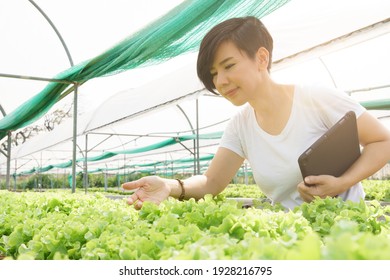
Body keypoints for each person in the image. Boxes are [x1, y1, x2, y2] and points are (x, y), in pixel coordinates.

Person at [122, 16, 390, 210]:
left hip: (346, 233)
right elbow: (211, 182)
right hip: (293, 242)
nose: (220, 81)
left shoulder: (314, 97)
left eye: (229, 66)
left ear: (262, 59)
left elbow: (383, 142)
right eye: (214, 74)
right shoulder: (241, 126)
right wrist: (170, 187)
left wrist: (342, 183)